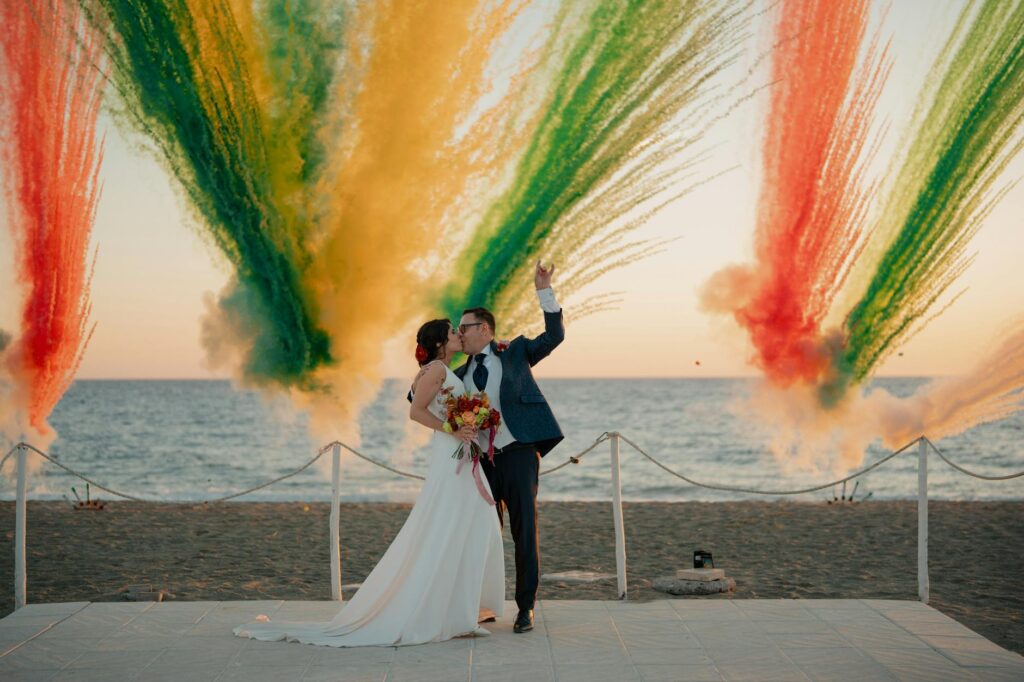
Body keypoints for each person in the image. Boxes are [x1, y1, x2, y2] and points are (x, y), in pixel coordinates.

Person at [234, 320, 504, 646]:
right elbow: (416, 412)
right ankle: (448, 613)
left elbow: (441, 409)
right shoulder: (435, 371)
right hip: (451, 456)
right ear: (439, 343)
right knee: (450, 527)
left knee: (474, 525)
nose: (458, 336)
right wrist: (454, 429)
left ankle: (459, 611)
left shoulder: (444, 370)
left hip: (460, 454)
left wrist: (469, 421)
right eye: (451, 333)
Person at [456, 260, 564, 633]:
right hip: (481, 463)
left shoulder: (514, 352)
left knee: (524, 533)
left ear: (485, 329)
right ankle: (481, 604)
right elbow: (416, 396)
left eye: (465, 327)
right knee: (481, 535)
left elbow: (553, 338)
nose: (460, 333)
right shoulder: (457, 375)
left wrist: (543, 290)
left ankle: (525, 608)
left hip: (518, 453)